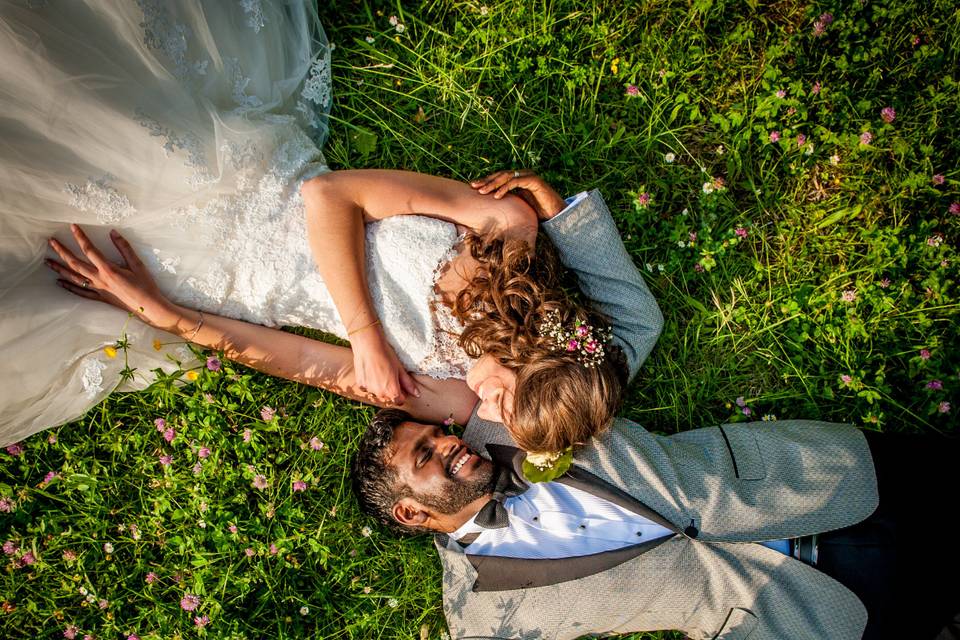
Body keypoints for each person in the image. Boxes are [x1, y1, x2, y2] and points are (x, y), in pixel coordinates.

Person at [0, 1, 659, 449]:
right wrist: (367, 335)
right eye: (505, 401)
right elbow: (330, 195)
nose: (486, 415)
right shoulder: (502, 226)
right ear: (531, 351)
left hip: (224, 284)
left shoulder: (458, 401)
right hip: (245, 181)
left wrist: (168, 316)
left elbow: (303, 360)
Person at [352, 408, 960, 640]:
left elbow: (630, 323)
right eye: (425, 457)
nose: (449, 442)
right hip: (806, 610)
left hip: (819, 473)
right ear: (410, 512)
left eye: (435, 433)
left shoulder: (505, 420)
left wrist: (563, 216)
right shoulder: (477, 619)